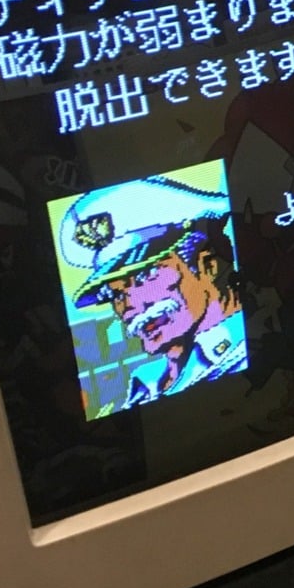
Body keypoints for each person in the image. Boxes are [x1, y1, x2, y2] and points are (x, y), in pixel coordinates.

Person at [59, 173, 248, 411]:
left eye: (144, 277)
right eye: (115, 294)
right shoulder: (144, 385)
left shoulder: (253, 344)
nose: (128, 305)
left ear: (207, 265)